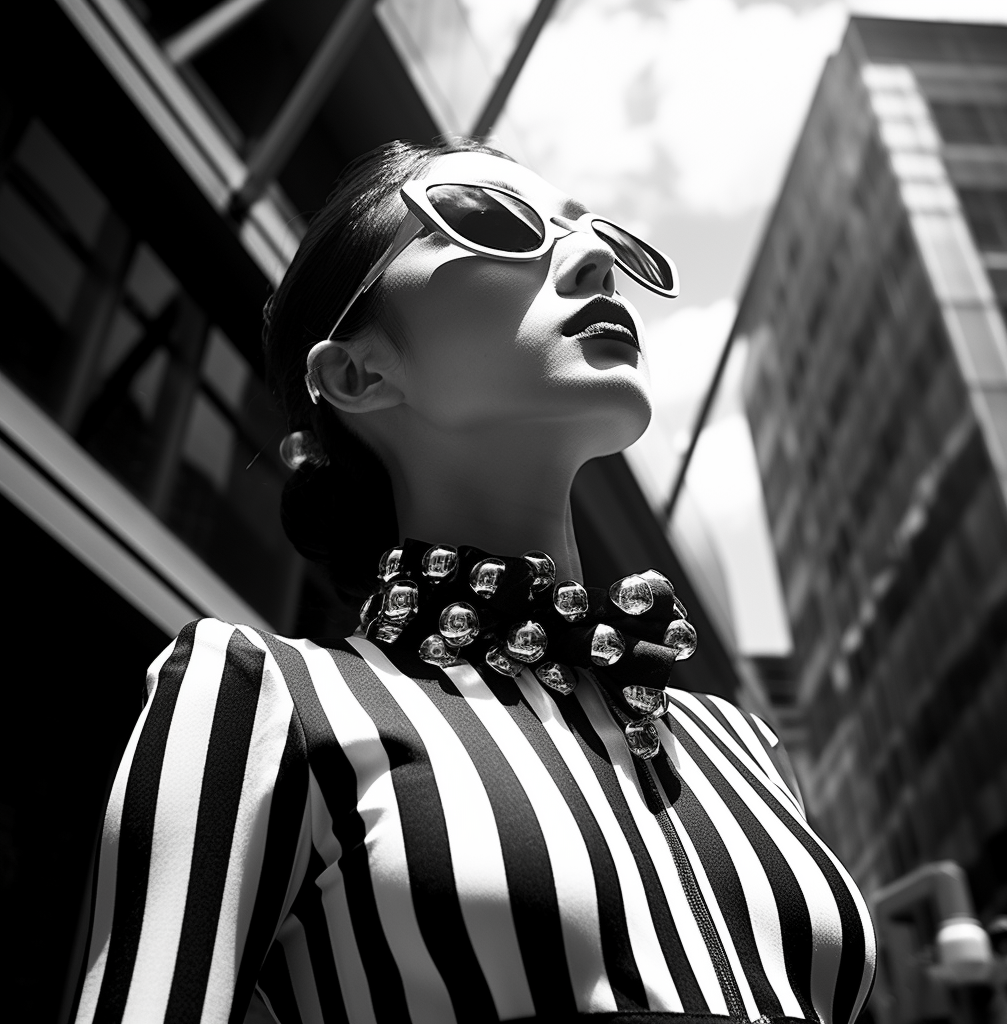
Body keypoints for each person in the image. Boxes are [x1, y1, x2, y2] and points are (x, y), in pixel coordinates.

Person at [70, 138, 875, 1024]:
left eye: (605, 236)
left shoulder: (744, 744)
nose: (600, 259)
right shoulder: (265, 700)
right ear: (358, 372)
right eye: (494, 222)